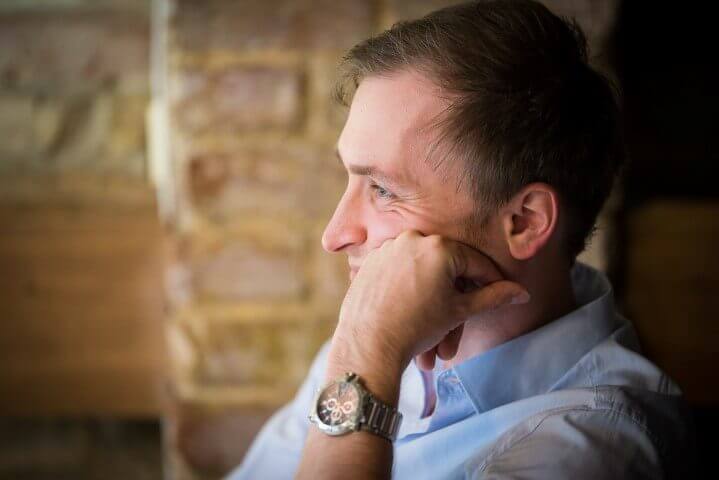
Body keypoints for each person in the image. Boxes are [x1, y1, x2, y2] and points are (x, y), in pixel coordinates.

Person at [228, 1, 693, 478]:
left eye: (383, 190)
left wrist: (364, 364)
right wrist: (365, 354)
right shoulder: (380, 331)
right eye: (349, 177)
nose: (335, 235)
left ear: (524, 222)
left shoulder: (593, 445)